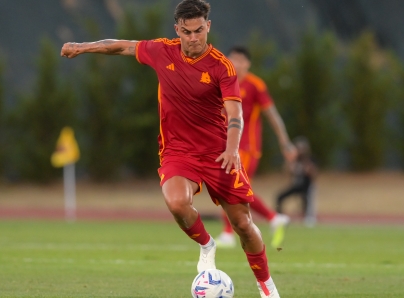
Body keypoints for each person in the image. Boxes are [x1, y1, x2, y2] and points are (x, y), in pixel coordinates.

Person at [61, 1, 281, 297]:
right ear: (177, 30)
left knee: (243, 224)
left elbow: (235, 114)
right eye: (187, 32)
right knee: (176, 202)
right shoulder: (162, 50)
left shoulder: (221, 66)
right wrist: (82, 47)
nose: (194, 37)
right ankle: (207, 245)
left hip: (218, 153)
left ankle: (267, 287)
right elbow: (120, 46)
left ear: (208, 27)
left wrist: (231, 150)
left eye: (199, 30)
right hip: (178, 151)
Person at [215, 46, 296, 249]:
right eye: (232, 58)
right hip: (227, 146)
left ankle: (230, 233)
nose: (235, 63)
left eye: (240, 60)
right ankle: (273, 218)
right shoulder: (222, 82)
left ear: (248, 64)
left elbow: (272, 115)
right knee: (231, 188)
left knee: (231, 186)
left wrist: (284, 142)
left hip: (247, 147)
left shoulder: (255, 85)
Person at [276, 136, 317, 227]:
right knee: (280, 196)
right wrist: (289, 162)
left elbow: (313, 174)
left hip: (306, 186)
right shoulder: (294, 160)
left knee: (306, 197)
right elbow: (286, 172)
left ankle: (308, 218)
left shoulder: (310, 159)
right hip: (296, 185)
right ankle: (280, 217)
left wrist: (307, 167)